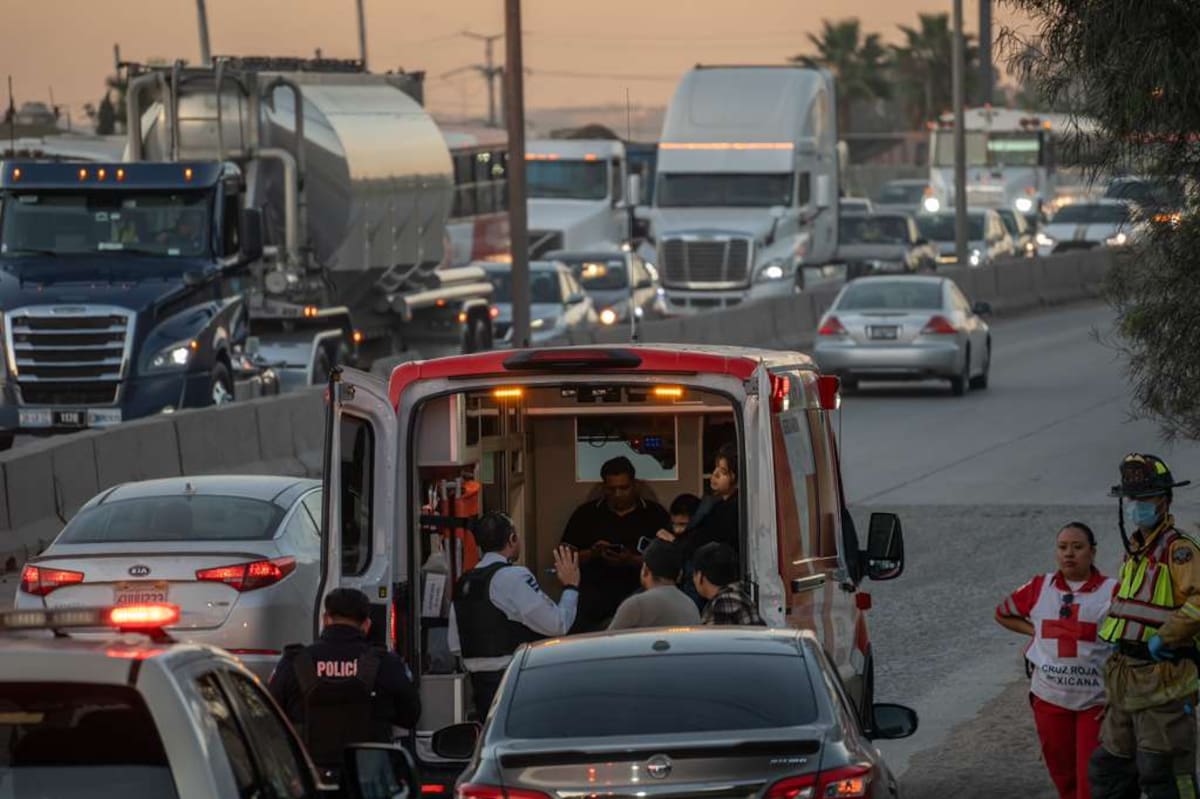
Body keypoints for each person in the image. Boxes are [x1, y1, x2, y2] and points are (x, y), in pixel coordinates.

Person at [1089, 453, 1200, 799]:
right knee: (1110, 771)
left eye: (1145, 498)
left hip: (1163, 675)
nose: (1135, 506)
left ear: (1165, 501)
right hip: (1125, 677)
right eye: (1131, 499)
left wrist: (1167, 636)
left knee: (1162, 773)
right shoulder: (1135, 552)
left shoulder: (1179, 551)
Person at [996, 522, 1117, 799]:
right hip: (1049, 700)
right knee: (1063, 776)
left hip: (1095, 702)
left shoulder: (1113, 591)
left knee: (1092, 779)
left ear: (1092, 552)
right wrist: (1035, 632)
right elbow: (1002, 613)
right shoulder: (1040, 586)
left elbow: (1128, 638)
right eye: (1062, 547)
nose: (1069, 554)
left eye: (1077, 547)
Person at [269, 588, 421, 781]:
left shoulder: (294, 662)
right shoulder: (386, 663)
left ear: (325, 619)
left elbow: (269, 718)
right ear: (366, 625)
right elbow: (411, 715)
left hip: (310, 781)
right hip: (368, 780)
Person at [448, 511, 580, 719]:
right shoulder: (513, 577)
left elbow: (455, 646)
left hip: (479, 687)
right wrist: (571, 586)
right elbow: (558, 624)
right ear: (512, 539)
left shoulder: (464, 582)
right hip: (515, 683)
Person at [561, 456, 671, 632]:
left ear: (634, 485)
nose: (618, 494)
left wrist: (631, 560)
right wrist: (592, 553)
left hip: (641, 594)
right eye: (612, 489)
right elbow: (564, 559)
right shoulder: (585, 514)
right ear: (604, 487)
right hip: (594, 599)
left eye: (624, 488)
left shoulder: (654, 514)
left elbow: (669, 562)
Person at [608, 540, 700, 630]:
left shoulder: (637, 604)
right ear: (680, 575)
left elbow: (609, 642)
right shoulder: (691, 605)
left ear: (645, 570)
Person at [693, 542, 765, 626]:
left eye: (694, 574)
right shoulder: (739, 596)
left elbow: (713, 638)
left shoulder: (724, 603)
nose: (693, 579)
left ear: (700, 575)